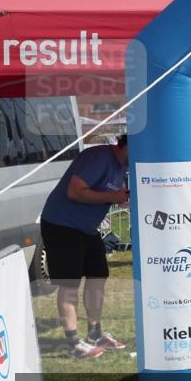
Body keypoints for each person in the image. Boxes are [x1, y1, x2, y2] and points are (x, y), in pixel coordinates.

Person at [39, 136, 129, 359]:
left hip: (87, 229)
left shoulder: (121, 166)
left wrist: (121, 198)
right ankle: (74, 344)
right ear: (124, 145)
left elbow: (111, 194)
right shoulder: (98, 157)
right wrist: (113, 196)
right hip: (62, 224)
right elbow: (75, 191)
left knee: (98, 277)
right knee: (69, 284)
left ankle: (95, 335)